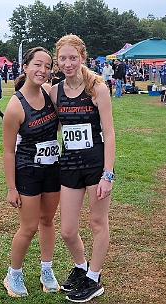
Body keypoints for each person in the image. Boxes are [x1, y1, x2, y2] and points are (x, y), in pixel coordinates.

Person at [50, 34, 115, 302]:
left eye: (72, 58)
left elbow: (109, 134)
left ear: (82, 58)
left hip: (95, 165)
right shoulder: (55, 92)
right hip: (69, 164)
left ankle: (94, 278)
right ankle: (81, 267)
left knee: (98, 223)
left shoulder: (97, 88)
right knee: (67, 229)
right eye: (62, 58)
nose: (67, 63)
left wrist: (107, 174)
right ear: (57, 60)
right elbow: (52, 128)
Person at [3, 46, 61, 297]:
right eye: (37, 64)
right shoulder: (15, 107)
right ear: (25, 67)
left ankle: (46, 270)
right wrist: (11, 188)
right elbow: (7, 152)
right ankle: (13, 274)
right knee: (28, 227)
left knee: (48, 220)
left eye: (47, 66)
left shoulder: (49, 93)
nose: (43, 70)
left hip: (53, 168)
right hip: (27, 170)